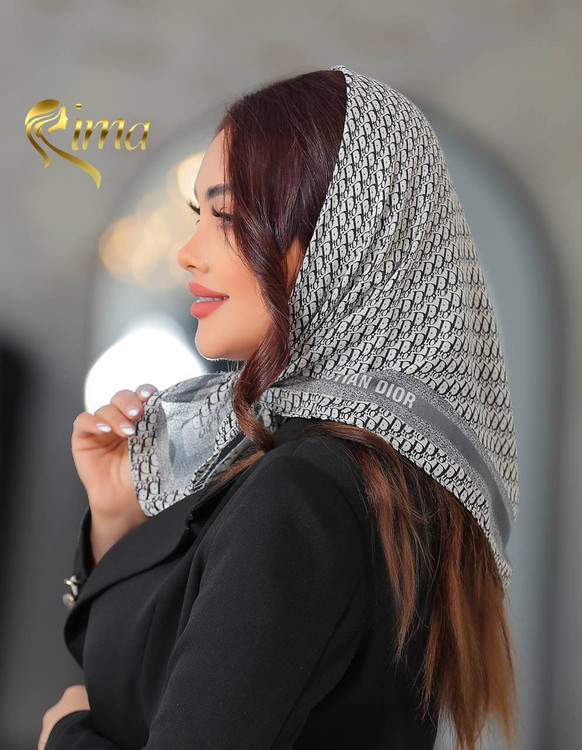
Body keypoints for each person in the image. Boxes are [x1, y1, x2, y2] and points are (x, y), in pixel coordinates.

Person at [40, 65, 520, 750]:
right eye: (197, 215)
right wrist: (117, 517)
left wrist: (62, 737)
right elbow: (149, 681)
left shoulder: (307, 493)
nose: (187, 253)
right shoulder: (339, 477)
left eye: (227, 215)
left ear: (345, 239)